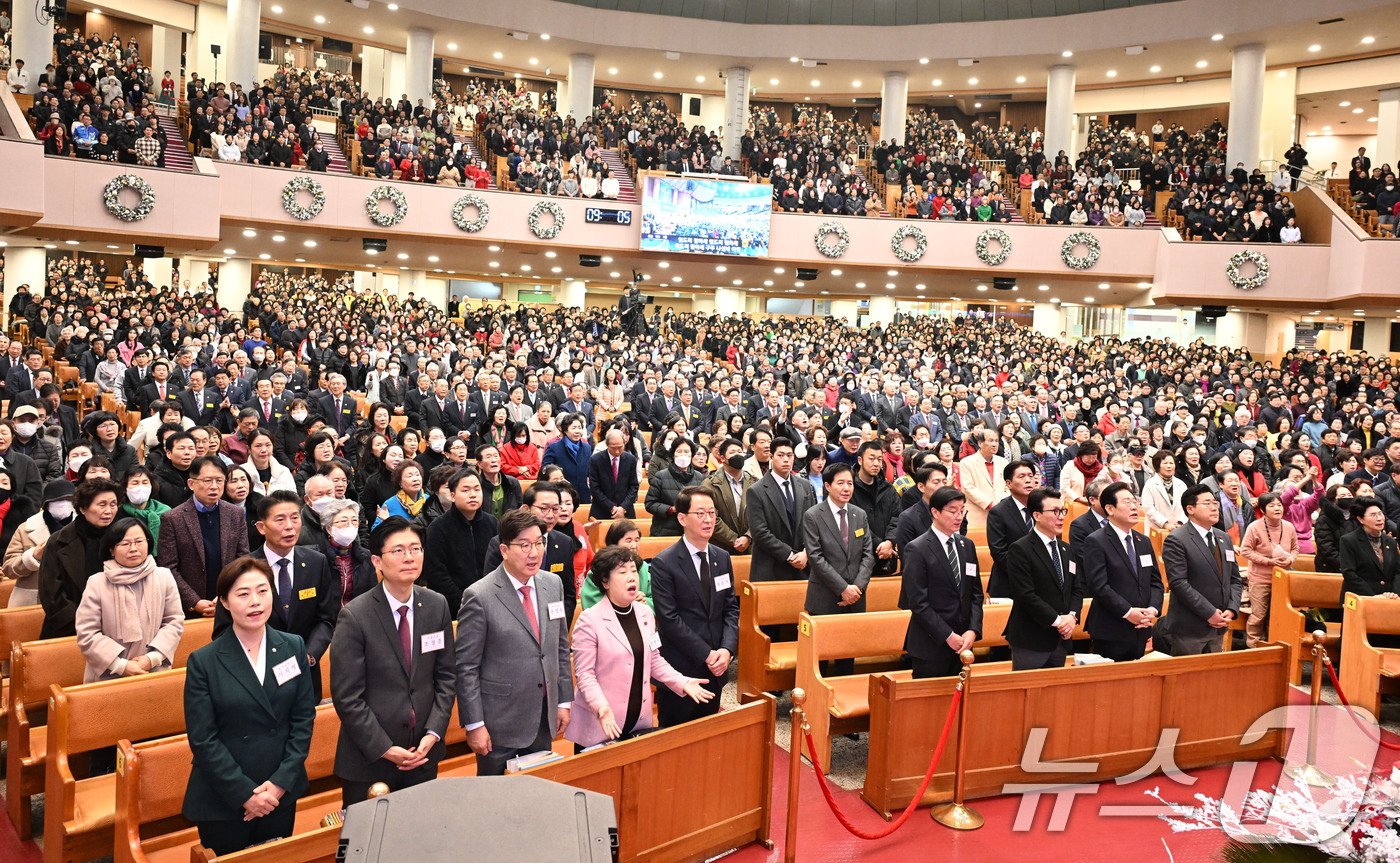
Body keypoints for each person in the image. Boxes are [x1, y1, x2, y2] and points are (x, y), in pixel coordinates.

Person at [182, 557, 315, 855]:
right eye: (243, 594)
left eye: (262, 591)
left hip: (279, 790)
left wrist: (279, 783)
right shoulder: (204, 661)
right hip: (225, 796)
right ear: (225, 603)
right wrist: (245, 794)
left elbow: (303, 718)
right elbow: (203, 739)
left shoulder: (292, 646)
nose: (255, 602)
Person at [330, 517, 456, 804]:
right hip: (370, 758)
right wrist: (386, 748)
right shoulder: (356, 615)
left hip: (423, 752)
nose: (409, 557)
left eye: (416, 548)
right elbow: (348, 697)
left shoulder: (436, 605)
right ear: (377, 560)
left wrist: (433, 733)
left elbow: (447, 677)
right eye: (398, 551)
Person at [455, 509, 573, 775]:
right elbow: (466, 668)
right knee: (495, 804)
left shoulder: (552, 584)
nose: (534, 552)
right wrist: (475, 724)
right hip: (499, 724)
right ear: (505, 550)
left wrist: (563, 700)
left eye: (539, 542)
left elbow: (559, 648)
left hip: (543, 716)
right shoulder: (479, 595)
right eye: (524, 545)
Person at [567, 546, 712, 750]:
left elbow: (654, 660)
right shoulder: (589, 620)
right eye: (622, 572)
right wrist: (601, 708)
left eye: (634, 570)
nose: (631, 577)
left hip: (638, 721)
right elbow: (585, 675)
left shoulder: (644, 613)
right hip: (602, 723)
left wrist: (682, 682)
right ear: (605, 581)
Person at [231, 490, 340, 700]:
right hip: (258, 677)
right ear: (261, 527)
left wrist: (309, 654)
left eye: (295, 518)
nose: (289, 526)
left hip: (305, 673)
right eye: (280, 520)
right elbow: (224, 629)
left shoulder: (316, 562)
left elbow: (326, 618)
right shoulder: (242, 570)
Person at [648, 486, 739, 726]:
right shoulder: (664, 563)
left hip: (717, 666)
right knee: (675, 741)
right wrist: (706, 654)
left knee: (708, 739)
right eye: (700, 513)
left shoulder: (721, 557)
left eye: (712, 513)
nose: (708, 519)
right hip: (682, 668)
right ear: (682, 518)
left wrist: (726, 650)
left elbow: (730, 608)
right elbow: (669, 619)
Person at [74, 518, 184, 682]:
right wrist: (120, 665)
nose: (133, 549)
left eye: (139, 541)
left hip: (153, 670)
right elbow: (87, 633)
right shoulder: (97, 583)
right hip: (108, 673)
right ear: (112, 549)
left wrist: (152, 658)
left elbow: (174, 621)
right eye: (125, 544)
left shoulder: (164, 577)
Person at [801, 463, 875, 675]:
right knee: (820, 661)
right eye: (840, 483)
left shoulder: (859, 514)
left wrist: (857, 588)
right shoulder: (813, 515)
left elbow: (868, 554)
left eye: (850, 483)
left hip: (855, 597)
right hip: (825, 596)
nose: (846, 488)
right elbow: (815, 557)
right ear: (827, 486)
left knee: (847, 658)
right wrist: (843, 588)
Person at [903, 487, 983, 677]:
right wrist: (947, 635)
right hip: (931, 644)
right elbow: (918, 603)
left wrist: (973, 630)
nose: (959, 516)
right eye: (952, 511)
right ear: (935, 512)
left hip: (964, 642)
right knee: (930, 705)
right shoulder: (917, 548)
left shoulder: (966, 545)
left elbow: (976, 594)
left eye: (962, 510)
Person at [158, 456, 250, 618]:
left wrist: (225, 596)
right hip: (188, 609)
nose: (214, 486)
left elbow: (242, 557)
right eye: (207, 480)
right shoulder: (173, 518)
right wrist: (194, 602)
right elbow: (168, 568)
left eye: (219, 480)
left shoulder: (235, 513)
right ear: (191, 484)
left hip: (229, 601)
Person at [1081, 481, 1163, 661]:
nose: (1134, 507)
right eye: (1127, 502)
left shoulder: (1143, 541)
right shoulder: (1096, 541)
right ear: (1110, 509)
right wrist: (1128, 612)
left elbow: (1155, 582)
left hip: (1141, 627)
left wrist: (1152, 609)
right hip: (1111, 629)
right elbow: (1099, 586)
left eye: (1134, 502)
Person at [1161, 484, 1243, 654]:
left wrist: (1232, 609)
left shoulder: (1223, 537)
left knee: (1213, 679)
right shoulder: (1177, 539)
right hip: (1190, 627)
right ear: (1190, 509)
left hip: (1220, 624)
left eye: (1215, 503)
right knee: (1186, 679)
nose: (1214, 507)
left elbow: (1234, 578)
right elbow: (1178, 583)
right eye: (1207, 503)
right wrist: (1209, 612)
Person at [1004, 489, 1080, 670]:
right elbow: (1025, 595)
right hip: (1031, 638)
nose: (1061, 517)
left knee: (1054, 696)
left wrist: (1072, 616)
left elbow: (1076, 589)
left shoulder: (1066, 549)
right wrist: (1058, 621)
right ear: (1037, 515)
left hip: (1060, 639)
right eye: (1054, 511)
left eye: (1062, 511)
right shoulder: (1020, 549)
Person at [39, 478, 123, 638]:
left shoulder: (123, 537)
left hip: (117, 628)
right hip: (69, 629)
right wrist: (85, 624)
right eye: (102, 504)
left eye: (113, 504)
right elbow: (51, 593)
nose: (109, 511)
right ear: (83, 508)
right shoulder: (59, 541)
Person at [423, 468, 499, 615]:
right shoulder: (438, 528)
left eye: (477, 489)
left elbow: (499, 565)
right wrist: (465, 603)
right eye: (465, 490)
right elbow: (437, 574)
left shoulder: (492, 523)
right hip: (453, 607)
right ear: (452, 495)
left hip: (491, 603)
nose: (472, 495)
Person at [746, 436, 816, 581]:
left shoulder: (805, 486)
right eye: (780, 455)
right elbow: (760, 533)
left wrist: (806, 553)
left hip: (804, 565)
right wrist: (790, 555)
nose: (786, 459)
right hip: (771, 567)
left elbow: (814, 525)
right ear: (771, 457)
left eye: (789, 455)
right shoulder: (756, 490)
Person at [1239, 491, 1298, 647]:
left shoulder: (1289, 526)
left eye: (1279, 505)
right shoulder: (1254, 527)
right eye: (1271, 505)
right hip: (1260, 577)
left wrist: (1290, 559)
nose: (1277, 508)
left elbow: (1295, 549)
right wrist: (1269, 561)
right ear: (1263, 510)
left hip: (1283, 577)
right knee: (1258, 615)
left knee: (1278, 615)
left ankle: (1272, 646)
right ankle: (1252, 646)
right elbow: (1245, 551)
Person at [3, 478, 75, 607]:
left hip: (73, 598)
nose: (63, 504)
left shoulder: (82, 527)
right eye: (57, 500)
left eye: (68, 500)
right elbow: (8, 568)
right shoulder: (26, 528)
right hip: (32, 599)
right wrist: (32, 557)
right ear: (46, 503)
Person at [985, 459, 1038, 598]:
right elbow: (999, 552)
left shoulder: (1043, 508)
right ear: (1008, 483)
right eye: (1022, 477)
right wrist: (1030, 572)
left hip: (1040, 585)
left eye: (1030, 476)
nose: (1028, 480)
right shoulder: (998, 512)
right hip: (1009, 585)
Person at [579, 519, 652, 610]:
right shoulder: (600, 569)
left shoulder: (643, 567)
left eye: (637, 540)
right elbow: (592, 603)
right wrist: (628, 603)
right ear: (614, 544)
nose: (634, 546)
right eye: (628, 541)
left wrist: (643, 602)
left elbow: (657, 599)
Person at [1338, 499, 1400, 604]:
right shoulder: (1349, 540)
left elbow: (1398, 571)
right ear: (1360, 519)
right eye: (1373, 515)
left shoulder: (1390, 541)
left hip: (1388, 599)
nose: (1379, 518)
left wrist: (1394, 593)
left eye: (1380, 514)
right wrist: (1373, 597)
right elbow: (1349, 573)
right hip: (1360, 598)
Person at [319, 498, 377, 607]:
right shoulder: (317, 558)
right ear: (329, 528)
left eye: (354, 521)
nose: (350, 525)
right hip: (328, 620)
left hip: (357, 617)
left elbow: (372, 594)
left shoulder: (366, 556)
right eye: (344, 521)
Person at [645, 437, 703, 536]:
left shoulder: (699, 477)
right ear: (673, 454)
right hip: (665, 530)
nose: (683, 454)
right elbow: (650, 504)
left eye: (686, 451)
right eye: (679, 451)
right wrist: (670, 509)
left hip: (691, 530)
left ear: (692, 455)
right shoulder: (661, 476)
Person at [958, 429, 1008, 529]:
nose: (994, 444)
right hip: (977, 514)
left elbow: (1009, 486)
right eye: (990, 440)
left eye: (996, 441)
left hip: (1002, 513)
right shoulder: (966, 462)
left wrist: (1001, 503)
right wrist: (990, 504)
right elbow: (968, 488)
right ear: (980, 443)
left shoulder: (1004, 462)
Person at [588, 428, 639, 519]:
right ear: (607, 445)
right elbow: (594, 488)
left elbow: (633, 486)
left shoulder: (630, 460)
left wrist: (623, 508)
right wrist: (612, 507)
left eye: (620, 447)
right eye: (613, 448)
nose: (617, 451)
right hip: (602, 510)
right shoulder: (596, 460)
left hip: (626, 511)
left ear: (624, 443)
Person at [541, 413, 593, 504]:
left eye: (580, 428)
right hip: (560, 494)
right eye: (574, 428)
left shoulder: (587, 448)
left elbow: (590, 471)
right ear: (565, 430)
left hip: (583, 494)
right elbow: (545, 470)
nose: (577, 431)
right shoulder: (554, 447)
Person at [120, 465, 170, 543]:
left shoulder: (166, 513)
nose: (141, 487)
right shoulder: (118, 514)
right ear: (125, 488)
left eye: (145, 482)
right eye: (135, 483)